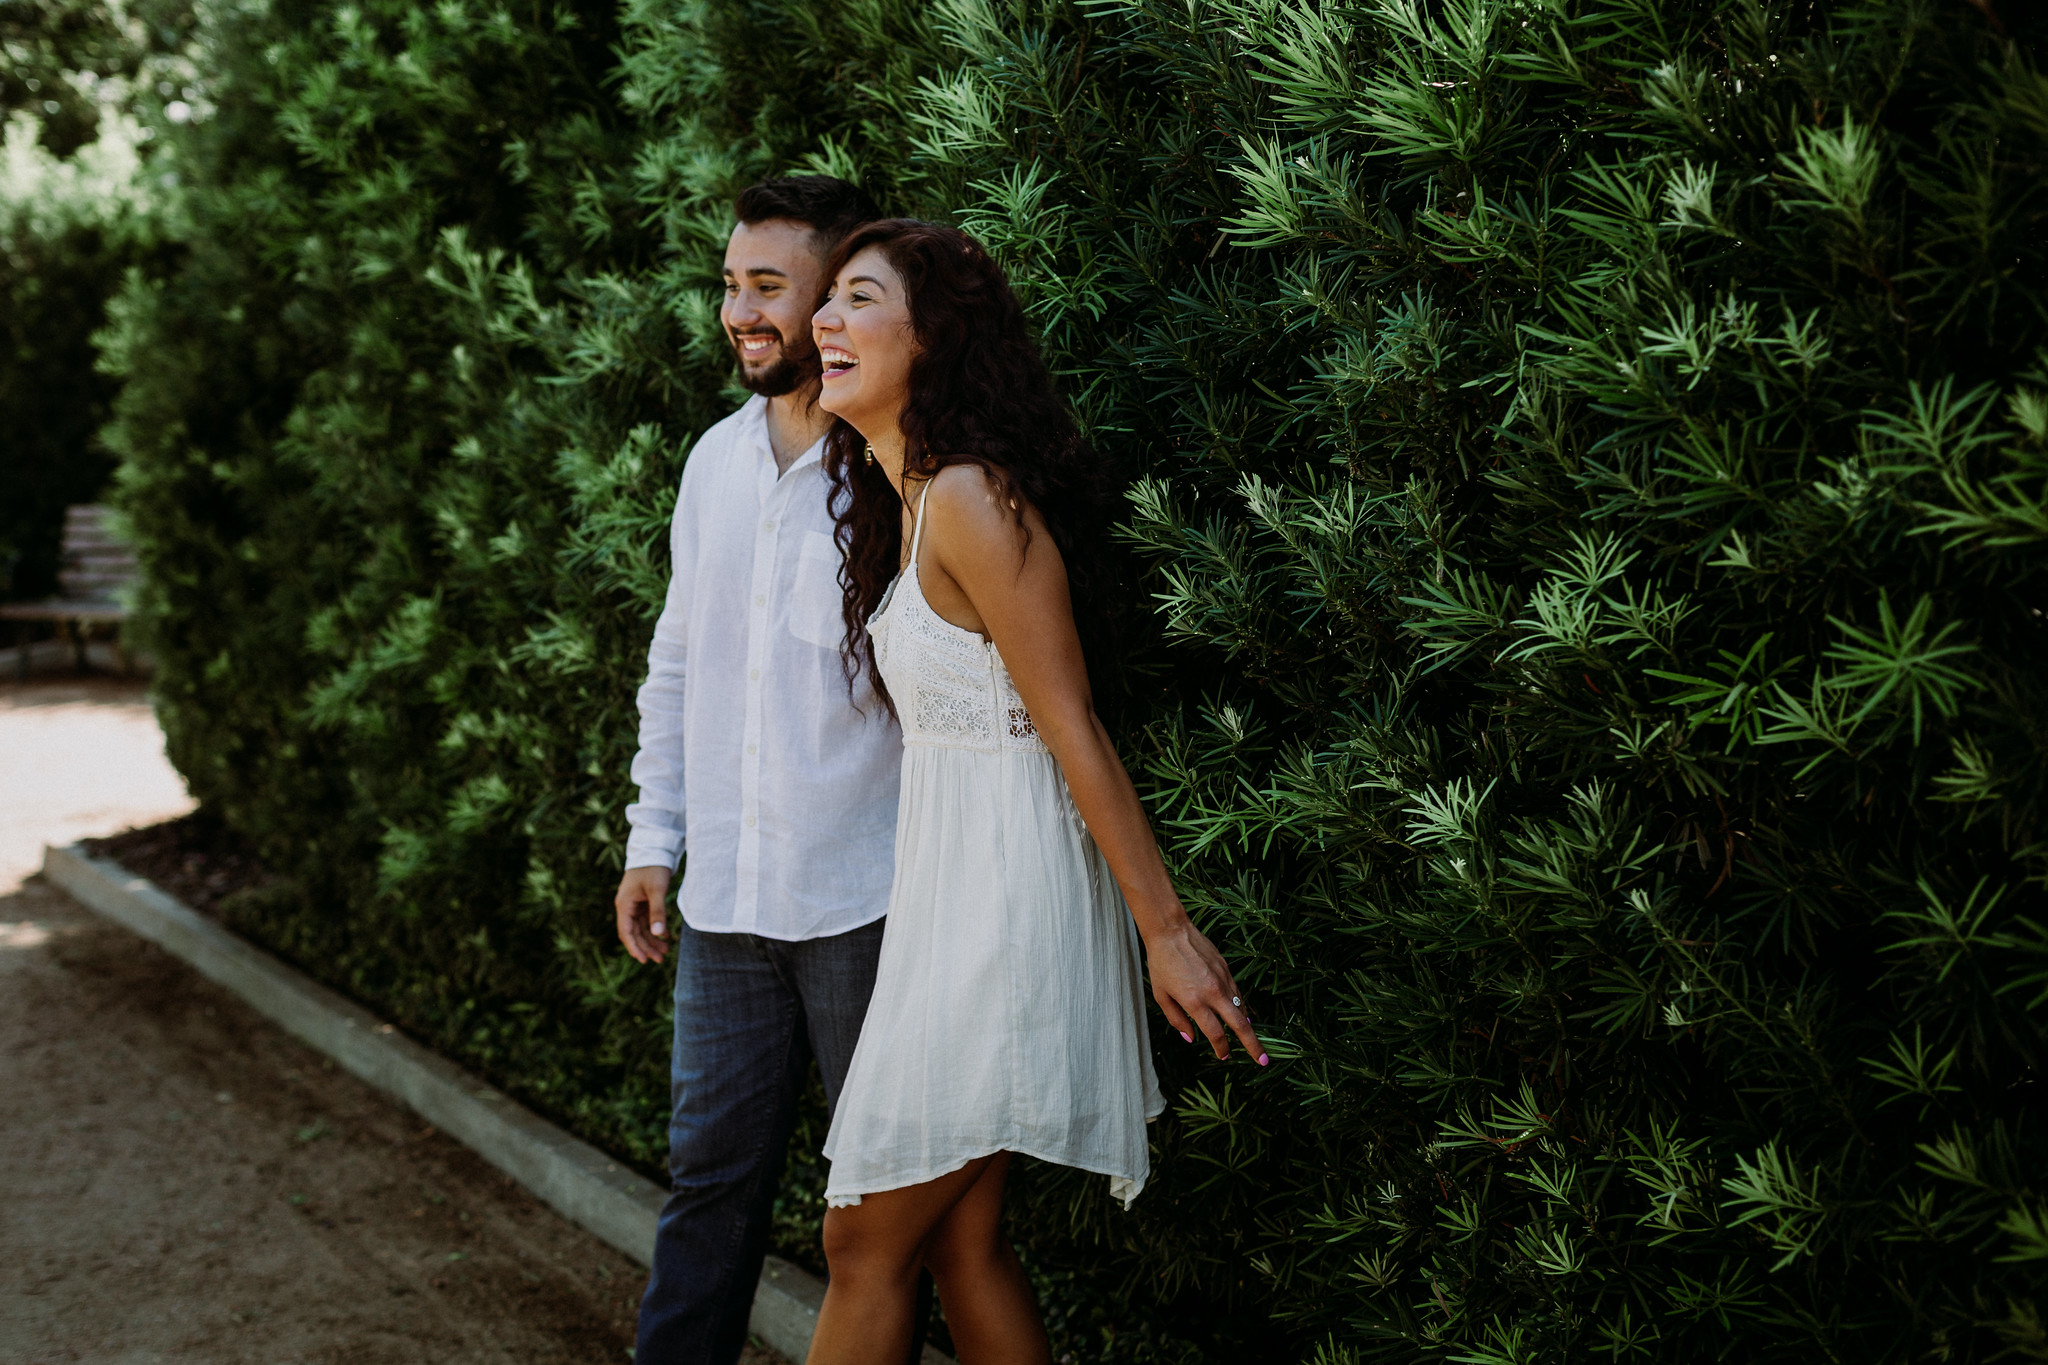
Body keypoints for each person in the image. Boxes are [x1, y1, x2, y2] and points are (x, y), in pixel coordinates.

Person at [801, 219, 1269, 1365]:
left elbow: (1071, 727)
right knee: (958, 1249)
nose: (823, 319)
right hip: (955, 911)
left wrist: (1165, 933)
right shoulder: (911, 503)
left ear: (933, 339)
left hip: (1003, 921)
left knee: (860, 1244)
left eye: (856, 300)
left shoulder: (967, 497)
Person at [614, 175, 905, 1365]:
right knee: (705, 1192)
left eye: (767, 288)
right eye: (730, 283)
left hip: (870, 903)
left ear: (835, 299)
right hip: (727, 900)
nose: (737, 310)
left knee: (891, 1213)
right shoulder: (712, 463)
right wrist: (652, 836)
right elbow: (677, 660)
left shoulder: (898, 472)